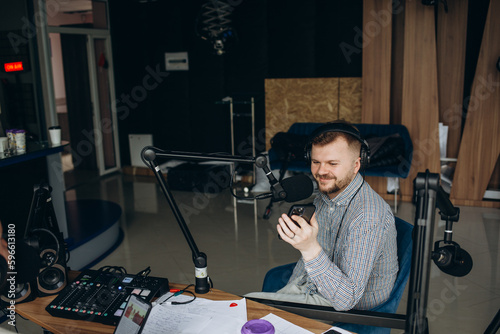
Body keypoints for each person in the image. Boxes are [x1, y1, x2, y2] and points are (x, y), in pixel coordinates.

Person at [246, 121, 398, 311]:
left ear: (356, 165)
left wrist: (309, 247)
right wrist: (290, 289)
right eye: (316, 162)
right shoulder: (325, 196)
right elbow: (310, 260)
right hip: (315, 288)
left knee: (246, 309)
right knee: (245, 306)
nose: (321, 172)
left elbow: (346, 300)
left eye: (332, 164)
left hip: (347, 309)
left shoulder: (367, 217)